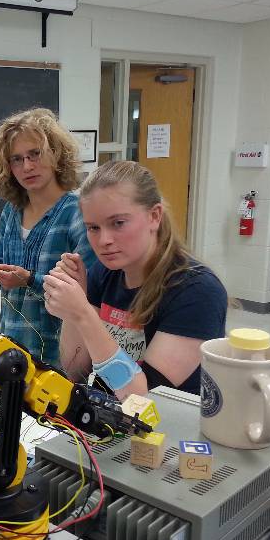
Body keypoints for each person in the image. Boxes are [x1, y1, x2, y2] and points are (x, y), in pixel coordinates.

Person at [44, 160, 227, 399]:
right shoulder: (105, 272)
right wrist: (74, 312)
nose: (103, 240)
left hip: (166, 428)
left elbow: (142, 400)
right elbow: (74, 370)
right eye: (93, 228)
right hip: (108, 422)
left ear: (154, 216)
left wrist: (83, 314)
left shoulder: (197, 291)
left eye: (118, 223)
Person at [0, 109, 95, 368]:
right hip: (11, 352)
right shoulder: (11, 211)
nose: (27, 166)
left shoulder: (78, 213)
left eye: (35, 154)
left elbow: (85, 294)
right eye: (17, 159)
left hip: (60, 362)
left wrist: (29, 280)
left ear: (56, 153)